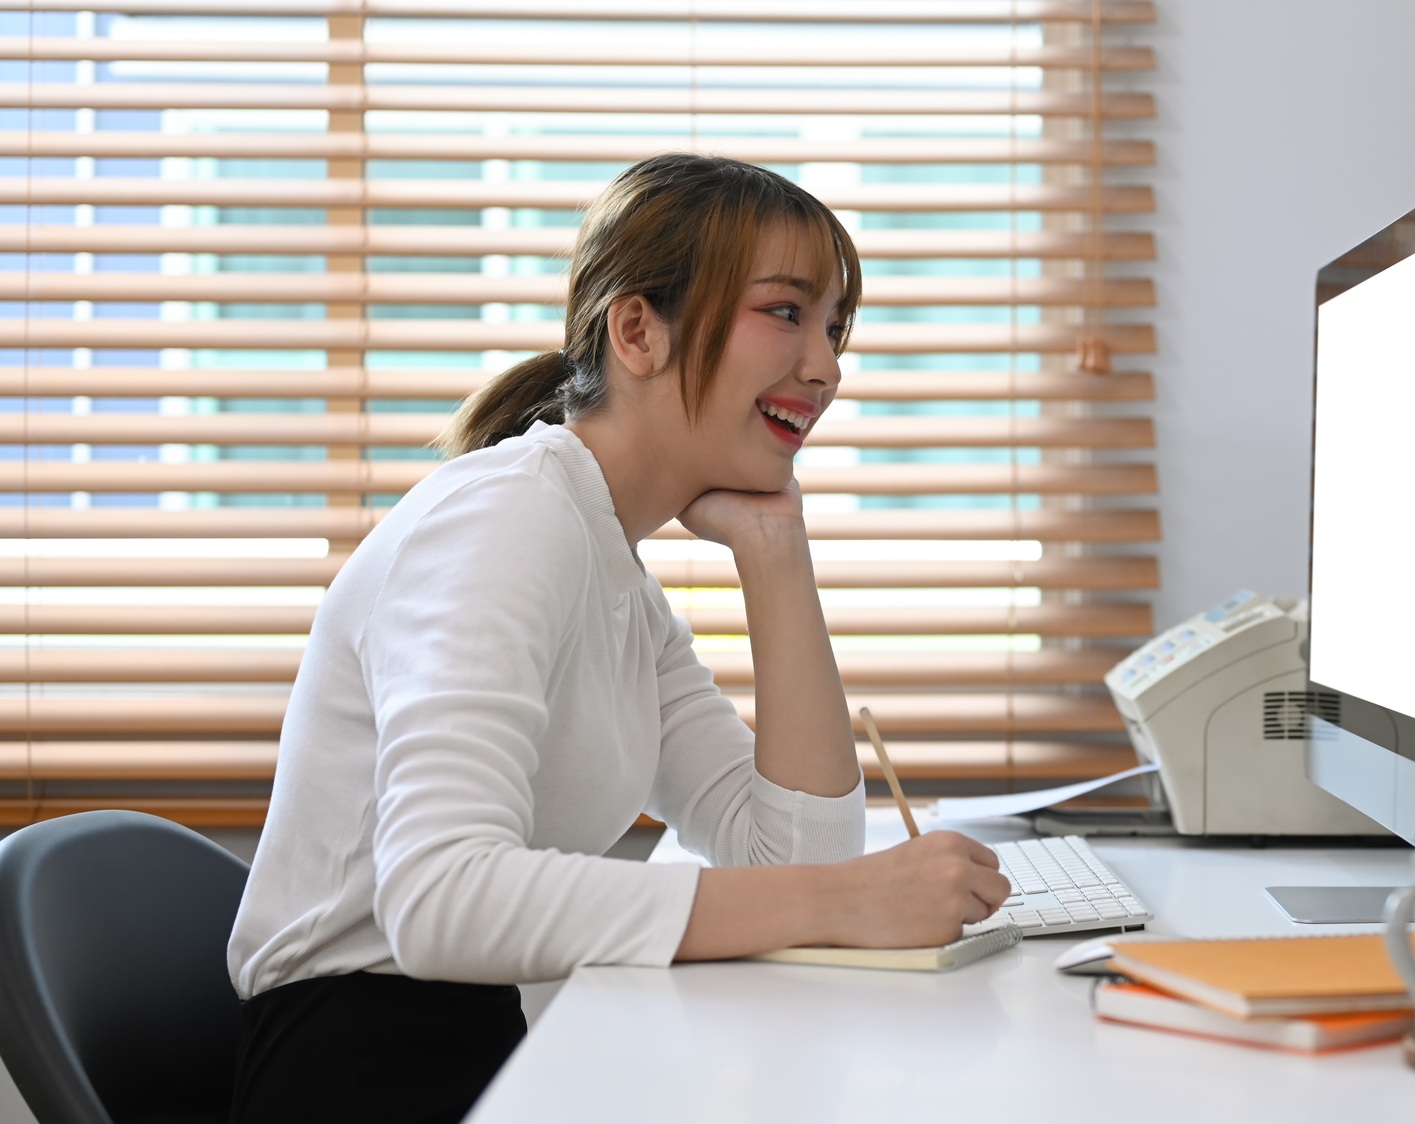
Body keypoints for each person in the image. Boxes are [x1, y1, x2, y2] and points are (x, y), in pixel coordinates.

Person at [226, 153, 1013, 1124]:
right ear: (636, 329)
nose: (825, 365)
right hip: (360, 1069)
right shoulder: (508, 521)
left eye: (834, 328)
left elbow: (784, 852)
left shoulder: (609, 565)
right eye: (785, 311)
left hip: (465, 1040)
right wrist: (842, 900)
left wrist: (776, 549)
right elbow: (437, 899)